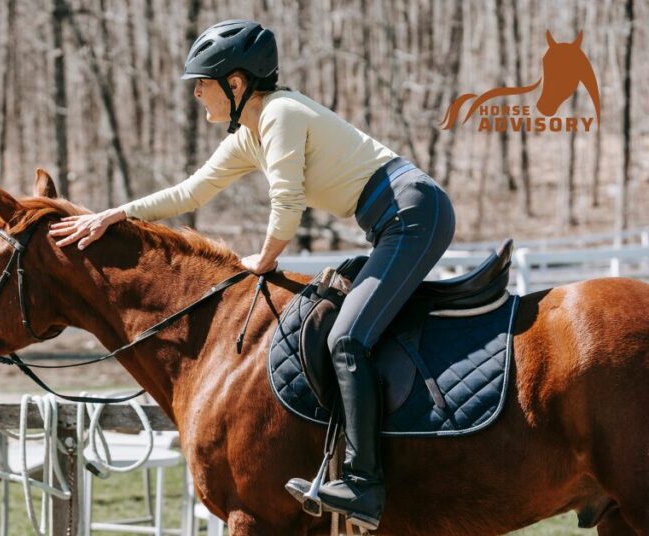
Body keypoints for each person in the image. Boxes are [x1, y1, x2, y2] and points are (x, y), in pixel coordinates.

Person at [48, 19, 455, 531]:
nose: (197, 93)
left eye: (203, 82)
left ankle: (364, 483)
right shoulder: (250, 133)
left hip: (414, 214)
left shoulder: (281, 114)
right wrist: (116, 214)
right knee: (340, 324)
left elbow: (288, 201)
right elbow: (189, 193)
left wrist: (261, 261)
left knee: (348, 339)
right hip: (394, 221)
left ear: (236, 84)